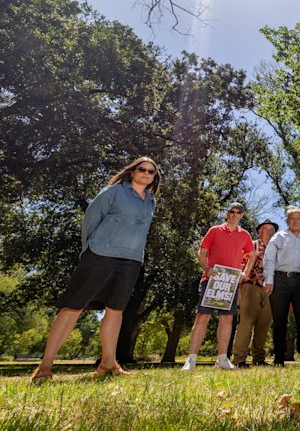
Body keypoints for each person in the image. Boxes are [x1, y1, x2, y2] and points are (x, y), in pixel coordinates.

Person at [32, 157, 161, 383]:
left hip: (130, 261)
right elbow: (91, 219)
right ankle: (45, 366)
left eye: (151, 172)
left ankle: (108, 364)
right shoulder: (113, 192)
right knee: (73, 307)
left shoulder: (150, 201)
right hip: (100, 254)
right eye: (142, 169)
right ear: (132, 172)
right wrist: (89, 249)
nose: (146, 173)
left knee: (115, 310)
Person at [182, 202, 256, 371]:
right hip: (211, 280)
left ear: (242, 216)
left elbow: (252, 255)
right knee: (203, 317)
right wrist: (207, 268)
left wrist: (245, 273)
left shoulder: (245, 235)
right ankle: (191, 360)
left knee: (227, 319)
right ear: (227, 213)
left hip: (230, 283)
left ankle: (222, 359)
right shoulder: (215, 230)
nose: (235, 214)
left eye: (238, 212)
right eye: (232, 211)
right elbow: (202, 252)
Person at [264, 205, 300, 366]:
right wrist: (269, 280)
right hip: (280, 280)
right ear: (287, 221)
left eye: (298, 218)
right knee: (279, 320)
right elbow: (269, 259)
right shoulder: (278, 237)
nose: (295, 221)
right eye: (292, 218)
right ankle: (279, 357)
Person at [231, 219, 279, 367]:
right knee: (246, 323)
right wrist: (238, 290)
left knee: (264, 326)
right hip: (250, 287)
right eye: (266, 229)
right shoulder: (251, 245)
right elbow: (240, 266)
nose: (269, 232)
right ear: (259, 231)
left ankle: (259, 358)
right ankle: (239, 359)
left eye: (272, 230)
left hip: (270, 291)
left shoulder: (277, 249)